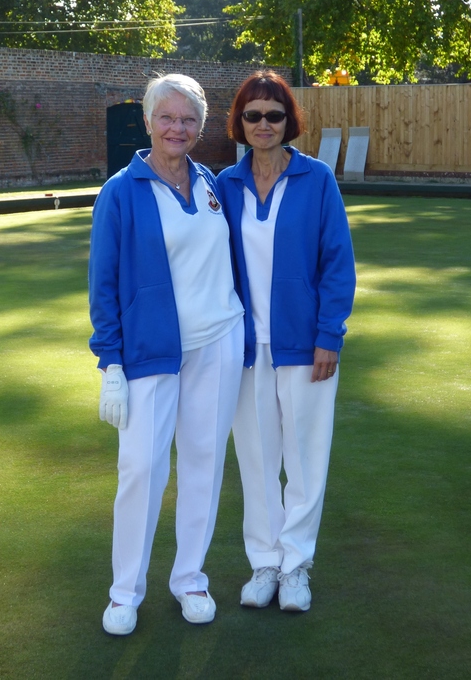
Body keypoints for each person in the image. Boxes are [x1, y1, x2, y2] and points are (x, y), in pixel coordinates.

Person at [89, 74, 244, 636]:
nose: (177, 128)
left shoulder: (209, 182)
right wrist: (110, 363)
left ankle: (191, 580)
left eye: (188, 120)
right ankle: (125, 591)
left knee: (204, 463)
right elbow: (103, 285)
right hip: (151, 354)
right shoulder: (120, 191)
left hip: (219, 343)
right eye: (167, 117)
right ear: (149, 121)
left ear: (201, 127)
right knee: (142, 470)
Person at [216, 71, 355, 613]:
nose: (265, 124)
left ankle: (296, 564)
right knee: (256, 459)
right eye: (254, 115)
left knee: (305, 460)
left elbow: (337, 264)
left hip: (306, 346)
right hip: (245, 350)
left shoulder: (317, 180)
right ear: (240, 122)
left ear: (288, 120)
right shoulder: (224, 187)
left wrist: (329, 335)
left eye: (275, 114)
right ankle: (265, 563)